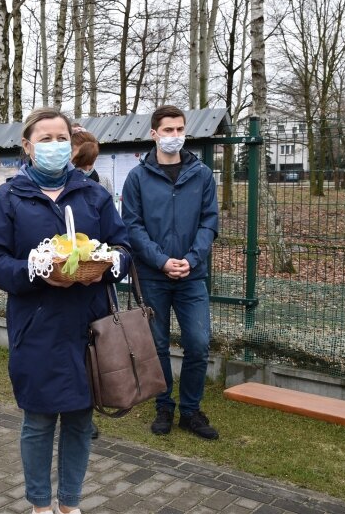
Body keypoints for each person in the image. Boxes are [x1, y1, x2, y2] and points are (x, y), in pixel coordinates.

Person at [0, 107, 131, 514]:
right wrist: (35, 270)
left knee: (80, 421)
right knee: (39, 421)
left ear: (72, 142)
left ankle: (70, 503)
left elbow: (123, 247)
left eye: (61, 138)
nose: (54, 146)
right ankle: (41, 504)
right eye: (44, 139)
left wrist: (108, 266)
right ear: (27, 146)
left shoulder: (93, 194)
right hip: (36, 326)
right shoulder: (7, 197)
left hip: (89, 326)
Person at [121, 104, 219, 440]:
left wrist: (191, 259)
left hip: (192, 275)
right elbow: (132, 227)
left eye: (179, 130)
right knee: (158, 345)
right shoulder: (137, 177)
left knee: (198, 343)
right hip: (152, 276)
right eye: (168, 130)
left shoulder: (202, 174)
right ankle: (164, 405)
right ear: (154, 134)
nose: (174, 136)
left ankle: (191, 410)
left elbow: (209, 221)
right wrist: (161, 260)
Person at [70, 125, 113, 195]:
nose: (86, 168)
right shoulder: (62, 183)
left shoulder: (104, 182)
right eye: (80, 158)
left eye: (90, 158)